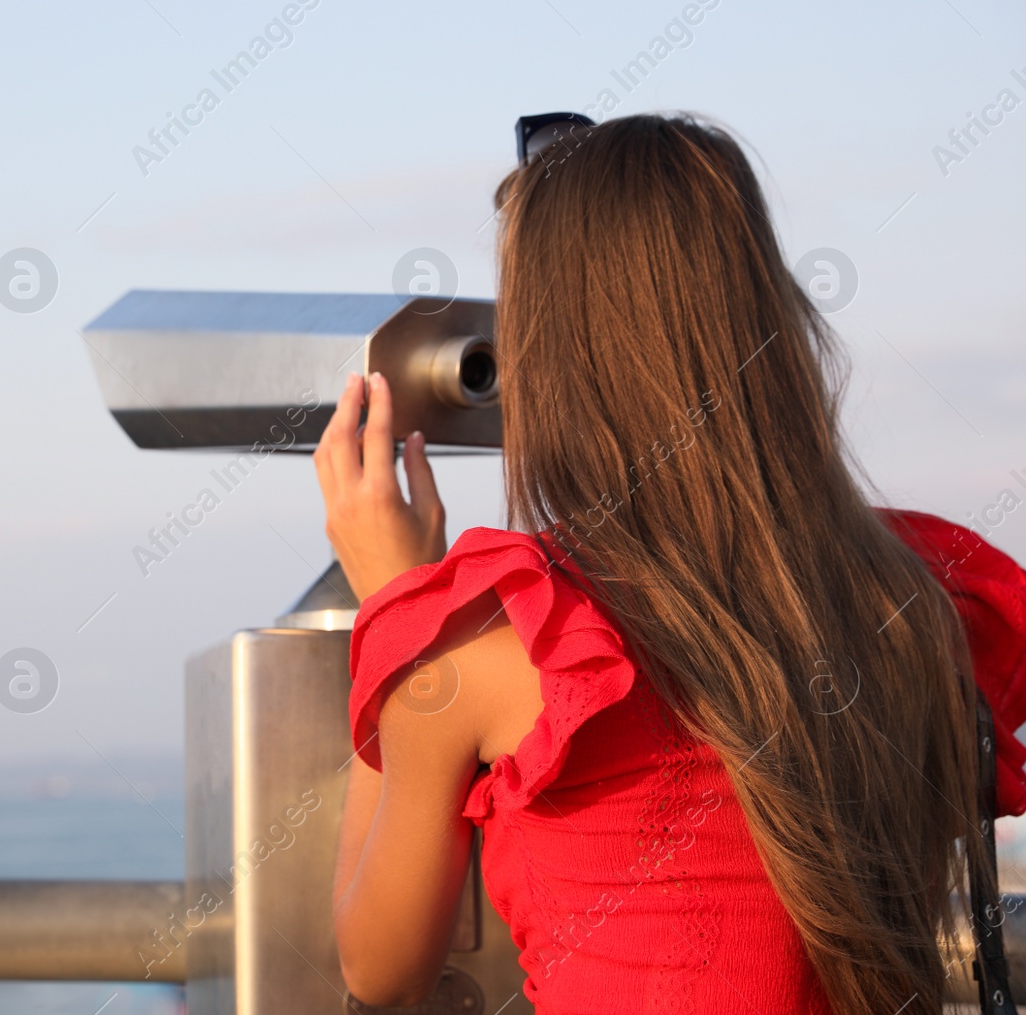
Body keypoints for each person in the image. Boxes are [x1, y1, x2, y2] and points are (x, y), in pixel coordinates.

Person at [315, 112, 1026, 1015]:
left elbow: (377, 967)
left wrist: (402, 616)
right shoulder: (914, 602)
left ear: (554, 358)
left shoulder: (496, 645)